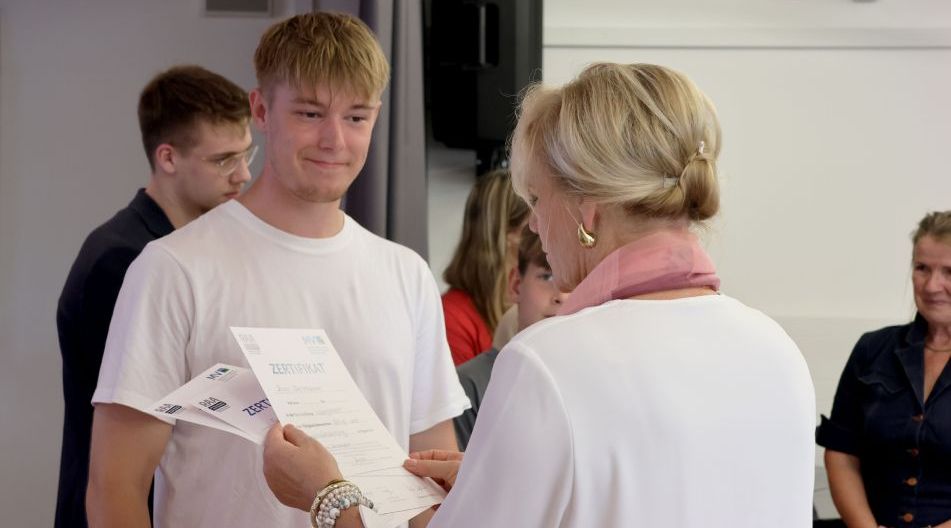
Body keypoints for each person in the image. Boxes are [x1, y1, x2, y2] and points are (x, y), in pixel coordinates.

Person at [261, 62, 817, 527]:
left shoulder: (548, 361)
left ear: (587, 212)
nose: (532, 226)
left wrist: (329, 498)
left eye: (537, 198)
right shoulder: (776, 348)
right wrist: (495, 480)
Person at [86, 13, 468, 528]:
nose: (334, 140)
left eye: (356, 118)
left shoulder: (406, 275)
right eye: (310, 114)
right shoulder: (174, 269)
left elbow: (430, 483)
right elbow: (115, 490)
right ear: (261, 110)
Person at [55, 64, 252, 528]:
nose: (243, 175)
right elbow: (133, 439)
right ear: (168, 158)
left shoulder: (186, 250)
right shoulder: (122, 261)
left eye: (247, 154)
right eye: (223, 160)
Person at [818, 211, 951, 528]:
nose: (932, 285)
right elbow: (841, 454)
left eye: (949, 271)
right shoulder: (872, 349)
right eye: (922, 268)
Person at [453, 227, 569, 449]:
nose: (562, 296)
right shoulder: (469, 387)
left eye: (577, 282)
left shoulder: (595, 385)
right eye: (548, 276)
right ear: (516, 285)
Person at [442, 169, 529, 365]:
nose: (541, 230)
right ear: (506, 233)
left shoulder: (535, 301)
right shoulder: (452, 319)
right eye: (532, 223)